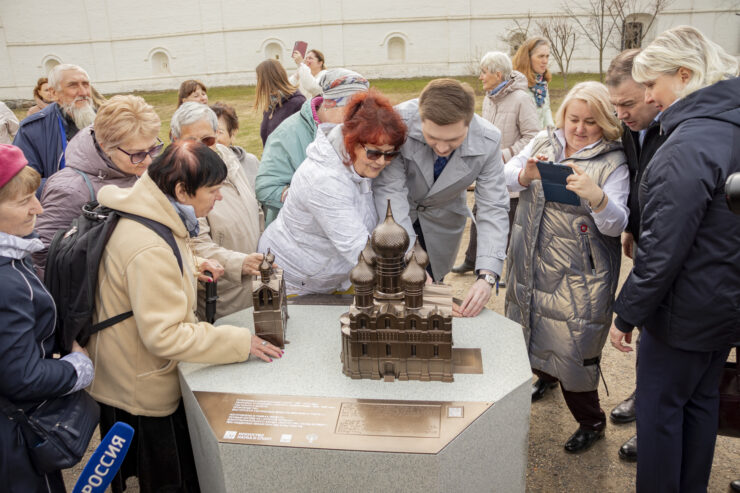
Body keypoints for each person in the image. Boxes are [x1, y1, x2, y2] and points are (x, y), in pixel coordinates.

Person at [87, 141, 282, 492]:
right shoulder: (149, 245)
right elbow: (165, 336)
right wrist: (240, 341)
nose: (219, 198)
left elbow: (161, 266)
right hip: (141, 391)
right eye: (213, 189)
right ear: (181, 190)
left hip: (125, 374)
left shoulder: (151, 214)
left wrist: (200, 264)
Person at [609, 26, 739, 492]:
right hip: (723, 304)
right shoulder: (728, 128)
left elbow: (664, 249)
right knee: (701, 402)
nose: (648, 95)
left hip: (684, 310)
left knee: (661, 412)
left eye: (651, 84)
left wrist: (627, 312)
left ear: (685, 75)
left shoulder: (687, 144)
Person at [505, 81, 629, 453]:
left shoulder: (614, 161)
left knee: (574, 350)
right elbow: (506, 175)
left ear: (605, 122)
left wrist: (598, 197)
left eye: (590, 121)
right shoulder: (544, 142)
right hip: (531, 262)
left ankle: (591, 421)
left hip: (579, 276)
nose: (579, 128)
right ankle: (545, 377)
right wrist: (524, 175)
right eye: (573, 118)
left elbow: (617, 224)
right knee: (530, 327)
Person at [0, 144, 94, 493]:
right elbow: (21, 378)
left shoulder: (13, 257)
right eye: (23, 200)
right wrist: (76, 368)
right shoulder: (7, 282)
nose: (38, 207)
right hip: (14, 442)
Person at [373, 78, 509, 318]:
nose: (443, 148)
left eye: (454, 140)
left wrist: (487, 275)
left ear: (468, 124)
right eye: (432, 138)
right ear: (420, 119)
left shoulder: (489, 141)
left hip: (441, 225)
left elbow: (493, 207)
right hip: (395, 219)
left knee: (430, 295)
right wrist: (409, 261)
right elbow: (391, 192)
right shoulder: (396, 122)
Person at [258, 89, 406, 295]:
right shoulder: (323, 180)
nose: (382, 162)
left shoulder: (359, 163)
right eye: (374, 153)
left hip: (334, 274)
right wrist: (409, 278)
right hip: (293, 277)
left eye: (390, 154)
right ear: (351, 142)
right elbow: (357, 247)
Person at [604, 48, 667, 463]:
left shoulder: (677, 127)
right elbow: (638, 178)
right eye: (616, 106)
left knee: (667, 334)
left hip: (674, 243)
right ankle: (646, 395)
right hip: (648, 236)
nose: (622, 114)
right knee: (653, 328)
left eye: (627, 103)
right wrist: (631, 227)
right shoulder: (633, 126)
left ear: (651, 89)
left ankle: (656, 420)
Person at [32, 94, 162, 277]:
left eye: (153, 148)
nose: (148, 160)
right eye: (137, 154)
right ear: (105, 146)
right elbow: (44, 255)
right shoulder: (70, 189)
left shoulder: (137, 168)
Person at [171, 102, 263, 320]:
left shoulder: (228, 158)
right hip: (223, 297)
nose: (201, 148)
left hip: (254, 284)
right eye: (191, 141)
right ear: (175, 140)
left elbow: (253, 206)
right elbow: (195, 246)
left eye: (208, 140)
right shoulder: (180, 180)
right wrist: (240, 263)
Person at [452, 51, 539, 276]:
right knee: (478, 211)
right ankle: (472, 259)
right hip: (486, 170)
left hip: (509, 173)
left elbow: (533, 137)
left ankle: (496, 269)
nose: (480, 77)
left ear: (498, 74)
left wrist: (504, 154)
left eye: (484, 72)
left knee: (503, 220)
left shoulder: (522, 99)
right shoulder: (489, 98)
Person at [256, 68, 369, 226]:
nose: (356, 122)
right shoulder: (286, 135)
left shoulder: (356, 130)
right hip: (297, 236)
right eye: (351, 112)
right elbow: (266, 187)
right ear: (328, 103)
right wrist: (316, 204)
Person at [13, 64, 96, 191]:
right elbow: (23, 181)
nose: (83, 92)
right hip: (61, 203)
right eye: (73, 85)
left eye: (85, 84)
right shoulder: (32, 129)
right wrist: (72, 187)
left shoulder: (107, 120)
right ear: (54, 93)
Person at [255, 58, 306, 145]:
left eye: (258, 80)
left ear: (267, 80)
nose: (257, 84)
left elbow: (303, 140)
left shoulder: (297, 103)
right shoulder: (271, 104)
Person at [211, 101, 260, 190]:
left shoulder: (251, 162)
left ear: (233, 134)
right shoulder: (200, 169)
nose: (214, 138)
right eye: (210, 131)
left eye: (219, 132)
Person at [512, 37, 554, 129]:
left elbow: (546, 109)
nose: (545, 61)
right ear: (527, 58)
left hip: (539, 140)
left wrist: (550, 131)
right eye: (541, 56)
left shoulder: (542, 83)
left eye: (547, 56)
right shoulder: (515, 84)